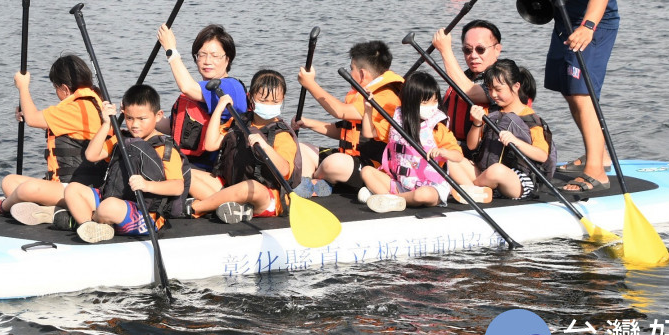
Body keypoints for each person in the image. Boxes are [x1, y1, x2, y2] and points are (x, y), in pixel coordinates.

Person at [498, 0, 617, 193]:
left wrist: (588, 27)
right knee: (568, 89)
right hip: (564, 16)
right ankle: (600, 155)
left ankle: (596, 171)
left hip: (596, 22)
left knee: (582, 93)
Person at [0, 54, 106, 219]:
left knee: (26, 189)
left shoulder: (78, 108)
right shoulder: (91, 101)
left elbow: (32, 119)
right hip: (66, 186)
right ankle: (52, 212)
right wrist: (26, 112)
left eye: (56, 88)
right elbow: (49, 122)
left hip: (80, 189)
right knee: (10, 183)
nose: (56, 93)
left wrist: (23, 87)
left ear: (65, 89)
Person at [189, 70, 321, 222]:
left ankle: (196, 208)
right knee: (186, 172)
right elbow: (211, 144)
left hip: (266, 196)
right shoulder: (241, 121)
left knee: (251, 187)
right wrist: (219, 108)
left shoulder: (282, 134)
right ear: (251, 97)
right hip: (232, 187)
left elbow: (285, 171)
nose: (269, 105)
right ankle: (227, 205)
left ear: (282, 99)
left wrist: (265, 146)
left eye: (275, 101)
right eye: (264, 100)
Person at [64, 85, 185, 243]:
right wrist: (106, 124)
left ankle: (84, 221)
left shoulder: (165, 148)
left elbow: (177, 187)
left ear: (158, 116)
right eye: (129, 118)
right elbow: (91, 155)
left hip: (145, 213)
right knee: (73, 189)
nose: (134, 125)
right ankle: (90, 226)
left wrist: (146, 185)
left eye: (142, 119)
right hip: (114, 199)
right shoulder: (122, 138)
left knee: (109, 207)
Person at [358, 72, 487, 211]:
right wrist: (368, 109)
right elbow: (368, 132)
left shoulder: (437, 128)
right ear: (410, 102)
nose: (432, 106)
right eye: (425, 102)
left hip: (430, 185)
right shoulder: (395, 123)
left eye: (435, 101)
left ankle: (390, 199)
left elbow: (458, 156)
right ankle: (393, 198)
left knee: (423, 195)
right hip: (400, 182)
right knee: (366, 171)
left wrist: (444, 152)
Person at [295, 41, 402, 193]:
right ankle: (306, 185)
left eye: (352, 69)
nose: (350, 73)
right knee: (300, 149)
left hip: (373, 166)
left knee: (333, 163)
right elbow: (346, 132)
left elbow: (339, 111)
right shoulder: (362, 94)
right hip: (349, 157)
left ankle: (319, 181)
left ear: (363, 74)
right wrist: (309, 123)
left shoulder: (385, 97)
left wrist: (310, 84)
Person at [156, 24, 248, 181]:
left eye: (214, 55)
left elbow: (187, 87)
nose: (207, 61)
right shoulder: (200, 90)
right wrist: (140, 116)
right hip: (189, 163)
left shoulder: (231, 87)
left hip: (214, 173)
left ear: (227, 59)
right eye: (202, 55)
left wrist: (171, 50)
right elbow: (174, 127)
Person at [466, 60, 557, 199]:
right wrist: (477, 122)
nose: (493, 94)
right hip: (485, 173)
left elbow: (542, 155)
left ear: (516, 86)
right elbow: (471, 146)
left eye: (498, 89)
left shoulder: (531, 120)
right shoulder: (490, 112)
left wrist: (516, 141)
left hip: (517, 180)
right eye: (490, 89)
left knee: (496, 171)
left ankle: (470, 189)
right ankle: (480, 189)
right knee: (454, 159)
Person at [432, 20, 504, 151]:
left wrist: (445, 50)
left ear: (497, 49)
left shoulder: (504, 78)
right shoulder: (463, 77)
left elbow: (468, 92)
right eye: (467, 50)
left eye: (480, 49)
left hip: (487, 151)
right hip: (452, 146)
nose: (473, 56)